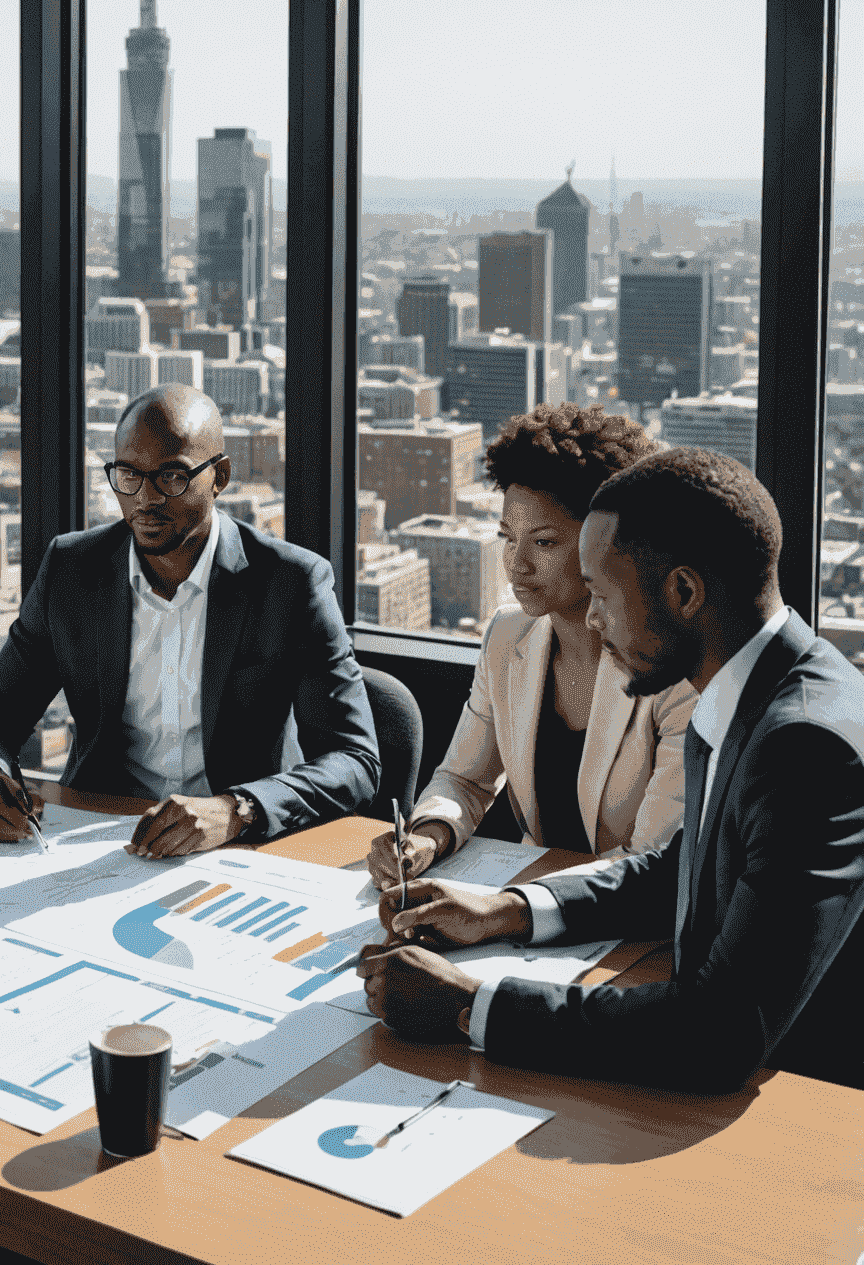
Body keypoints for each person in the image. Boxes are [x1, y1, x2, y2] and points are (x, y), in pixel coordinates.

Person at [358, 448, 864, 1093]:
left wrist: (471, 1005)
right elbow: (683, 867)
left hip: (797, 1102)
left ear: (683, 592)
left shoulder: (804, 746)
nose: (592, 619)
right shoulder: (754, 687)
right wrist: (507, 911)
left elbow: (722, 1033)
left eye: (601, 593)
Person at [0, 385, 380, 857]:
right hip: (99, 836)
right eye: (128, 475)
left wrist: (237, 810)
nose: (146, 499)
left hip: (237, 848)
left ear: (219, 477)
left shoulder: (290, 583)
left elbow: (355, 761)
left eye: (172, 476)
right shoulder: (72, 569)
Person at [368, 403, 693, 889]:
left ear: (606, 543)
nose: (515, 565)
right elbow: (464, 779)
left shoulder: (673, 672)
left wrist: (511, 911)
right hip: (524, 905)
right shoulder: (507, 634)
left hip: (624, 922)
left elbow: (652, 860)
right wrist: (425, 837)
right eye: (507, 537)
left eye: (543, 544)